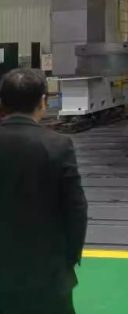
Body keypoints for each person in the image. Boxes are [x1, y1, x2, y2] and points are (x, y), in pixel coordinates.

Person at [0, 69, 88, 314]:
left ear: (3, 103)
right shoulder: (58, 145)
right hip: (47, 275)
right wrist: (68, 259)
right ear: (42, 101)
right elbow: (76, 210)